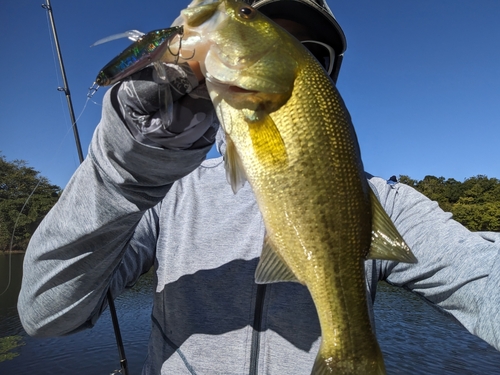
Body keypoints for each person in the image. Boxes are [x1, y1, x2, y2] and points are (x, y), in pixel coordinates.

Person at [18, 0, 500, 373]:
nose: (232, 21)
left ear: (324, 76)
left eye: (313, 53)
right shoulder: (167, 193)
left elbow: (486, 277)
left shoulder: (385, 201)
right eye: (257, 18)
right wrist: (133, 167)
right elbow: (46, 313)